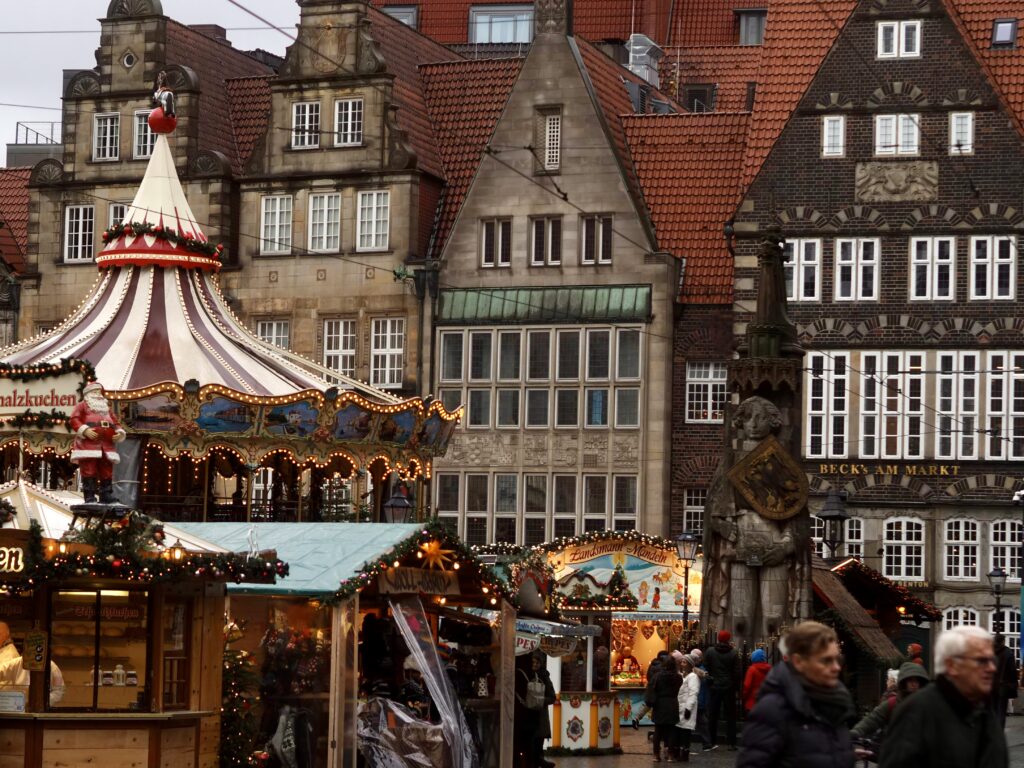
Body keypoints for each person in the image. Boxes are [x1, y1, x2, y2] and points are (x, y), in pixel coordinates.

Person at [879, 626, 1008, 768]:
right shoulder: (916, 712)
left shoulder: (985, 711)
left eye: (992, 660)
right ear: (952, 665)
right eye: (981, 661)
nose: (992, 668)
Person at [737, 621, 856, 768]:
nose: (836, 667)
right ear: (799, 661)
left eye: (837, 659)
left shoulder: (836, 703)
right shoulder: (773, 710)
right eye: (826, 660)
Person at [69, 381, 127, 504]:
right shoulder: (82, 406)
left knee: (106, 470)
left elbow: (116, 423)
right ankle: (89, 496)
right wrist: (84, 430)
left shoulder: (107, 409)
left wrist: (119, 432)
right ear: (88, 394)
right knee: (89, 469)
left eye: (99, 392)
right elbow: (74, 419)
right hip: (89, 445)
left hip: (106, 445)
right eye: (95, 392)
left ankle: (106, 495)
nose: (98, 394)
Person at [852, 662, 928, 742]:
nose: (914, 684)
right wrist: (856, 732)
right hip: (896, 750)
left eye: (916, 681)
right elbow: (873, 719)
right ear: (904, 682)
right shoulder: (892, 703)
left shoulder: (927, 704)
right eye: (910, 680)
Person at [0, 622, 64, 706]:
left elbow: (59, 690)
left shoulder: (52, 667)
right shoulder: (17, 663)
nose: (33, 651)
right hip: (18, 708)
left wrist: (42, 702)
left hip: (42, 709)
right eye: (30, 647)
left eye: (37, 648)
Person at [704, 630, 739, 749]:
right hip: (728, 686)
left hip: (715, 685)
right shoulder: (733, 653)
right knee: (731, 715)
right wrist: (734, 685)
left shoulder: (710, 651)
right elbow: (737, 672)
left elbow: (706, 667)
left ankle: (711, 741)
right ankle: (732, 742)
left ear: (718, 639)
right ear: (728, 639)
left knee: (713, 715)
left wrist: (711, 681)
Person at [647, 654, 682, 762]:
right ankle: (671, 755)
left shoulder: (657, 676)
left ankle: (656, 754)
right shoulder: (678, 677)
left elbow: (652, 688)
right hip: (672, 703)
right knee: (672, 730)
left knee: (658, 730)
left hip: (660, 704)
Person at [528, 651, 557, 768]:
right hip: (528, 717)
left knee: (538, 743)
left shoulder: (544, 676)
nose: (535, 664)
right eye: (533, 662)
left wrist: (539, 700)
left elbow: (552, 697)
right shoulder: (526, 674)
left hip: (540, 717)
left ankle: (539, 760)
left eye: (537, 662)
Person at [632, 649, 670, 728]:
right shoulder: (664, 667)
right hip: (660, 691)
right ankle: (659, 729)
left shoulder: (653, 664)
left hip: (651, 689)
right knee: (658, 709)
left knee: (648, 705)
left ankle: (637, 718)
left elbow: (648, 676)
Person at [990, 633, 1019, 729]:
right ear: (1003, 641)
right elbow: (1012, 670)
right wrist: (1014, 684)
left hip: (990, 686)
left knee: (992, 711)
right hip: (1003, 686)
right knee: (1001, 712)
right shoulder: (1008, 652)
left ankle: (992, 734)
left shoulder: (989, 651)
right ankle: (999, 735)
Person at [676, 654, 700, 762]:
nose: (682, 664)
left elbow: (693, 693)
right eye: (681, 662)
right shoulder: (684, 676)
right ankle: (680, 753)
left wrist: (688, 708)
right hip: (681, 707)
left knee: (686, 732)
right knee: (681, 731)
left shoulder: (693, 677)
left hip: (687, 708)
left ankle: (685, 754)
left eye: (684, 662)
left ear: (690, 665)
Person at [741, 648, 771, 714]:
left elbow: (747, 686)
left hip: (752, 703)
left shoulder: (752, 669)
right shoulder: (770, 669)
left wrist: (744, 696)